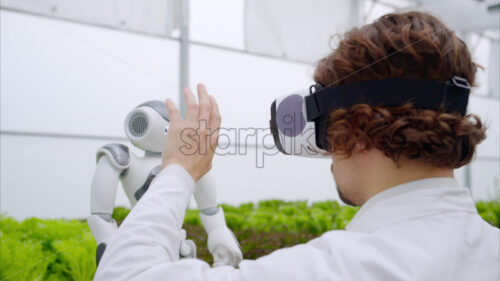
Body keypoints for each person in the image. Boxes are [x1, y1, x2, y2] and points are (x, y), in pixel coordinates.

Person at [94, 11, 499, 280]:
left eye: (324, 126)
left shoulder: (331, 269)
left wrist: (179, 169)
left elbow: (124, 275)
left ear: (353, 127)